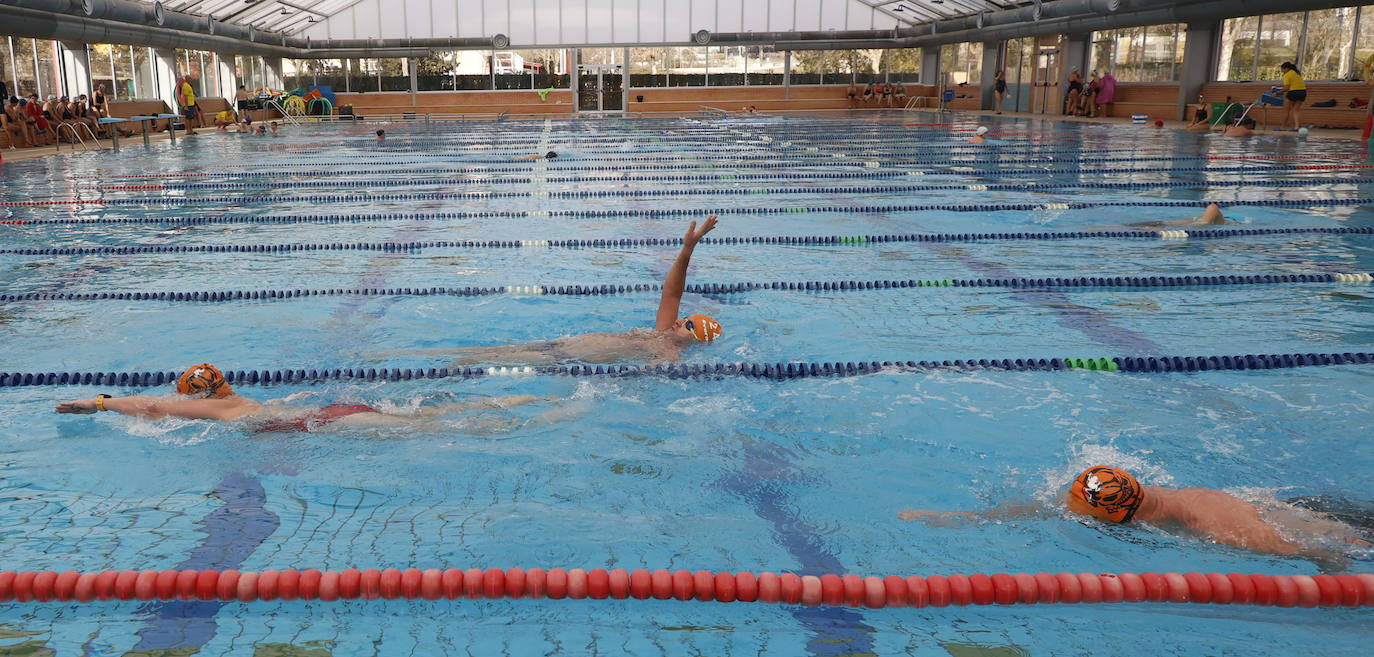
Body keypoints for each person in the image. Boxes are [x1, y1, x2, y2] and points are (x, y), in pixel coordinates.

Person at [382, 217, 723, 367]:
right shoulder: (664, 332)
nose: (680, 320)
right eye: (685, 319)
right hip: (565, 346)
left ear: (695, 339)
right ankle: (400, 358)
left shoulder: (669, 353)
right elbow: (672, 293)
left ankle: (406, 361)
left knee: (477, 361)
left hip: (568, 359)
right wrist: (688, 250)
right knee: (485, 352)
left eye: (688, 324)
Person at [900, 466, 1369, 561]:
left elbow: (1326, 554)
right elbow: (1050, 508)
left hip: (1330, 525)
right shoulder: (1142, 496)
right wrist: (957, 517)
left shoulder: (1224, 530)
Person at [55, 363, 554, 434]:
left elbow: (151, 408)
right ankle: (520, 404)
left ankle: (543, 414)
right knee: (435, 416)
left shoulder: (215, 409)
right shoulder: (235, 400)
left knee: (436, 426)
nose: (171, 397)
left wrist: (96, 403)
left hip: (331, 423)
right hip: (330, 416)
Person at [1279, 61, 1306, 131]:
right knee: (1296, 110)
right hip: (1303, 92)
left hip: (1293, 92)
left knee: (1286, 111)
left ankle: (1282, 127)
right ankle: (1297, 127)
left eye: (1283, 70)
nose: (1283, 72)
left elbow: (1286, 88)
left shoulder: (1287, 75)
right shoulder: (1296, 73)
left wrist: (1277, 93)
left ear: (1286, 68)